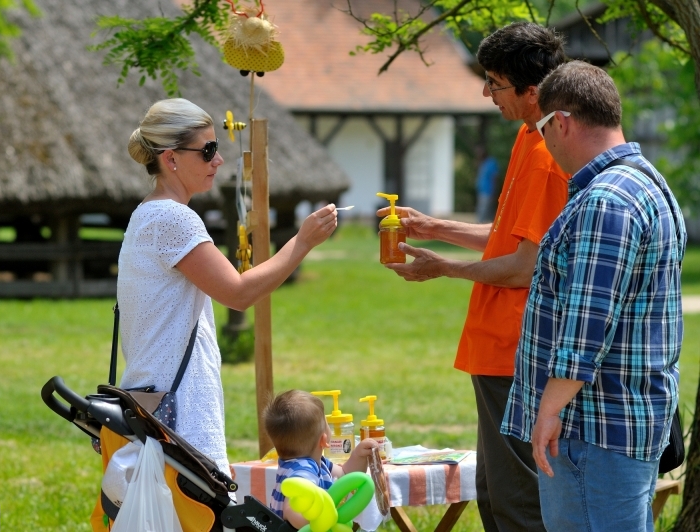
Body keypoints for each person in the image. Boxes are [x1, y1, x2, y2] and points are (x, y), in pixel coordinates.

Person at [377, 22, 569, 532]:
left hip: (518, 351)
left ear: (532, 92)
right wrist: (435, 227)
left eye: (495, 82)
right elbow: (508, 237)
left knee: (518, 500)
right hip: (496, 349)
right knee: (494, 493)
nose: (486, 93)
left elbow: (527, 264)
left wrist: (443, 268)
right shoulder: (529, 139)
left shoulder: (549, 156)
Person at [501, 61, 686, 531]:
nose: (545, 143)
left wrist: (547, 410)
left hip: (590, 428)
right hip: (619, 423)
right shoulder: (647, 185)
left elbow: (586, 326)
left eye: (542, 130)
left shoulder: (605, 199)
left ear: (560, 122)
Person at [117, 99, 338, 474]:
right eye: (208, 151)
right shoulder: (173, 218)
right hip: (179, 403)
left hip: (155, 395)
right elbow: (238, 293)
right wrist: (302, 243)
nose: (217, 160)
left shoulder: (147, 213)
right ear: (171, 159)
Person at [263, 389, 378, 529]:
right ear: (324, 439)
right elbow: (291, 509)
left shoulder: (312, 463)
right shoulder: (303, 471)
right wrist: (318, 521)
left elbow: (345, 476)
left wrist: (358, 456)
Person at [474, 144, 499, 223]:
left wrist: (493, 191)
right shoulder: (482, 163)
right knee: (487, 212)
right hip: (481, 191)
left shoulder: (491, 163)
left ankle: (478, 228)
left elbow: (494, 178)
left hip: (488, 191)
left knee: (483, 212)